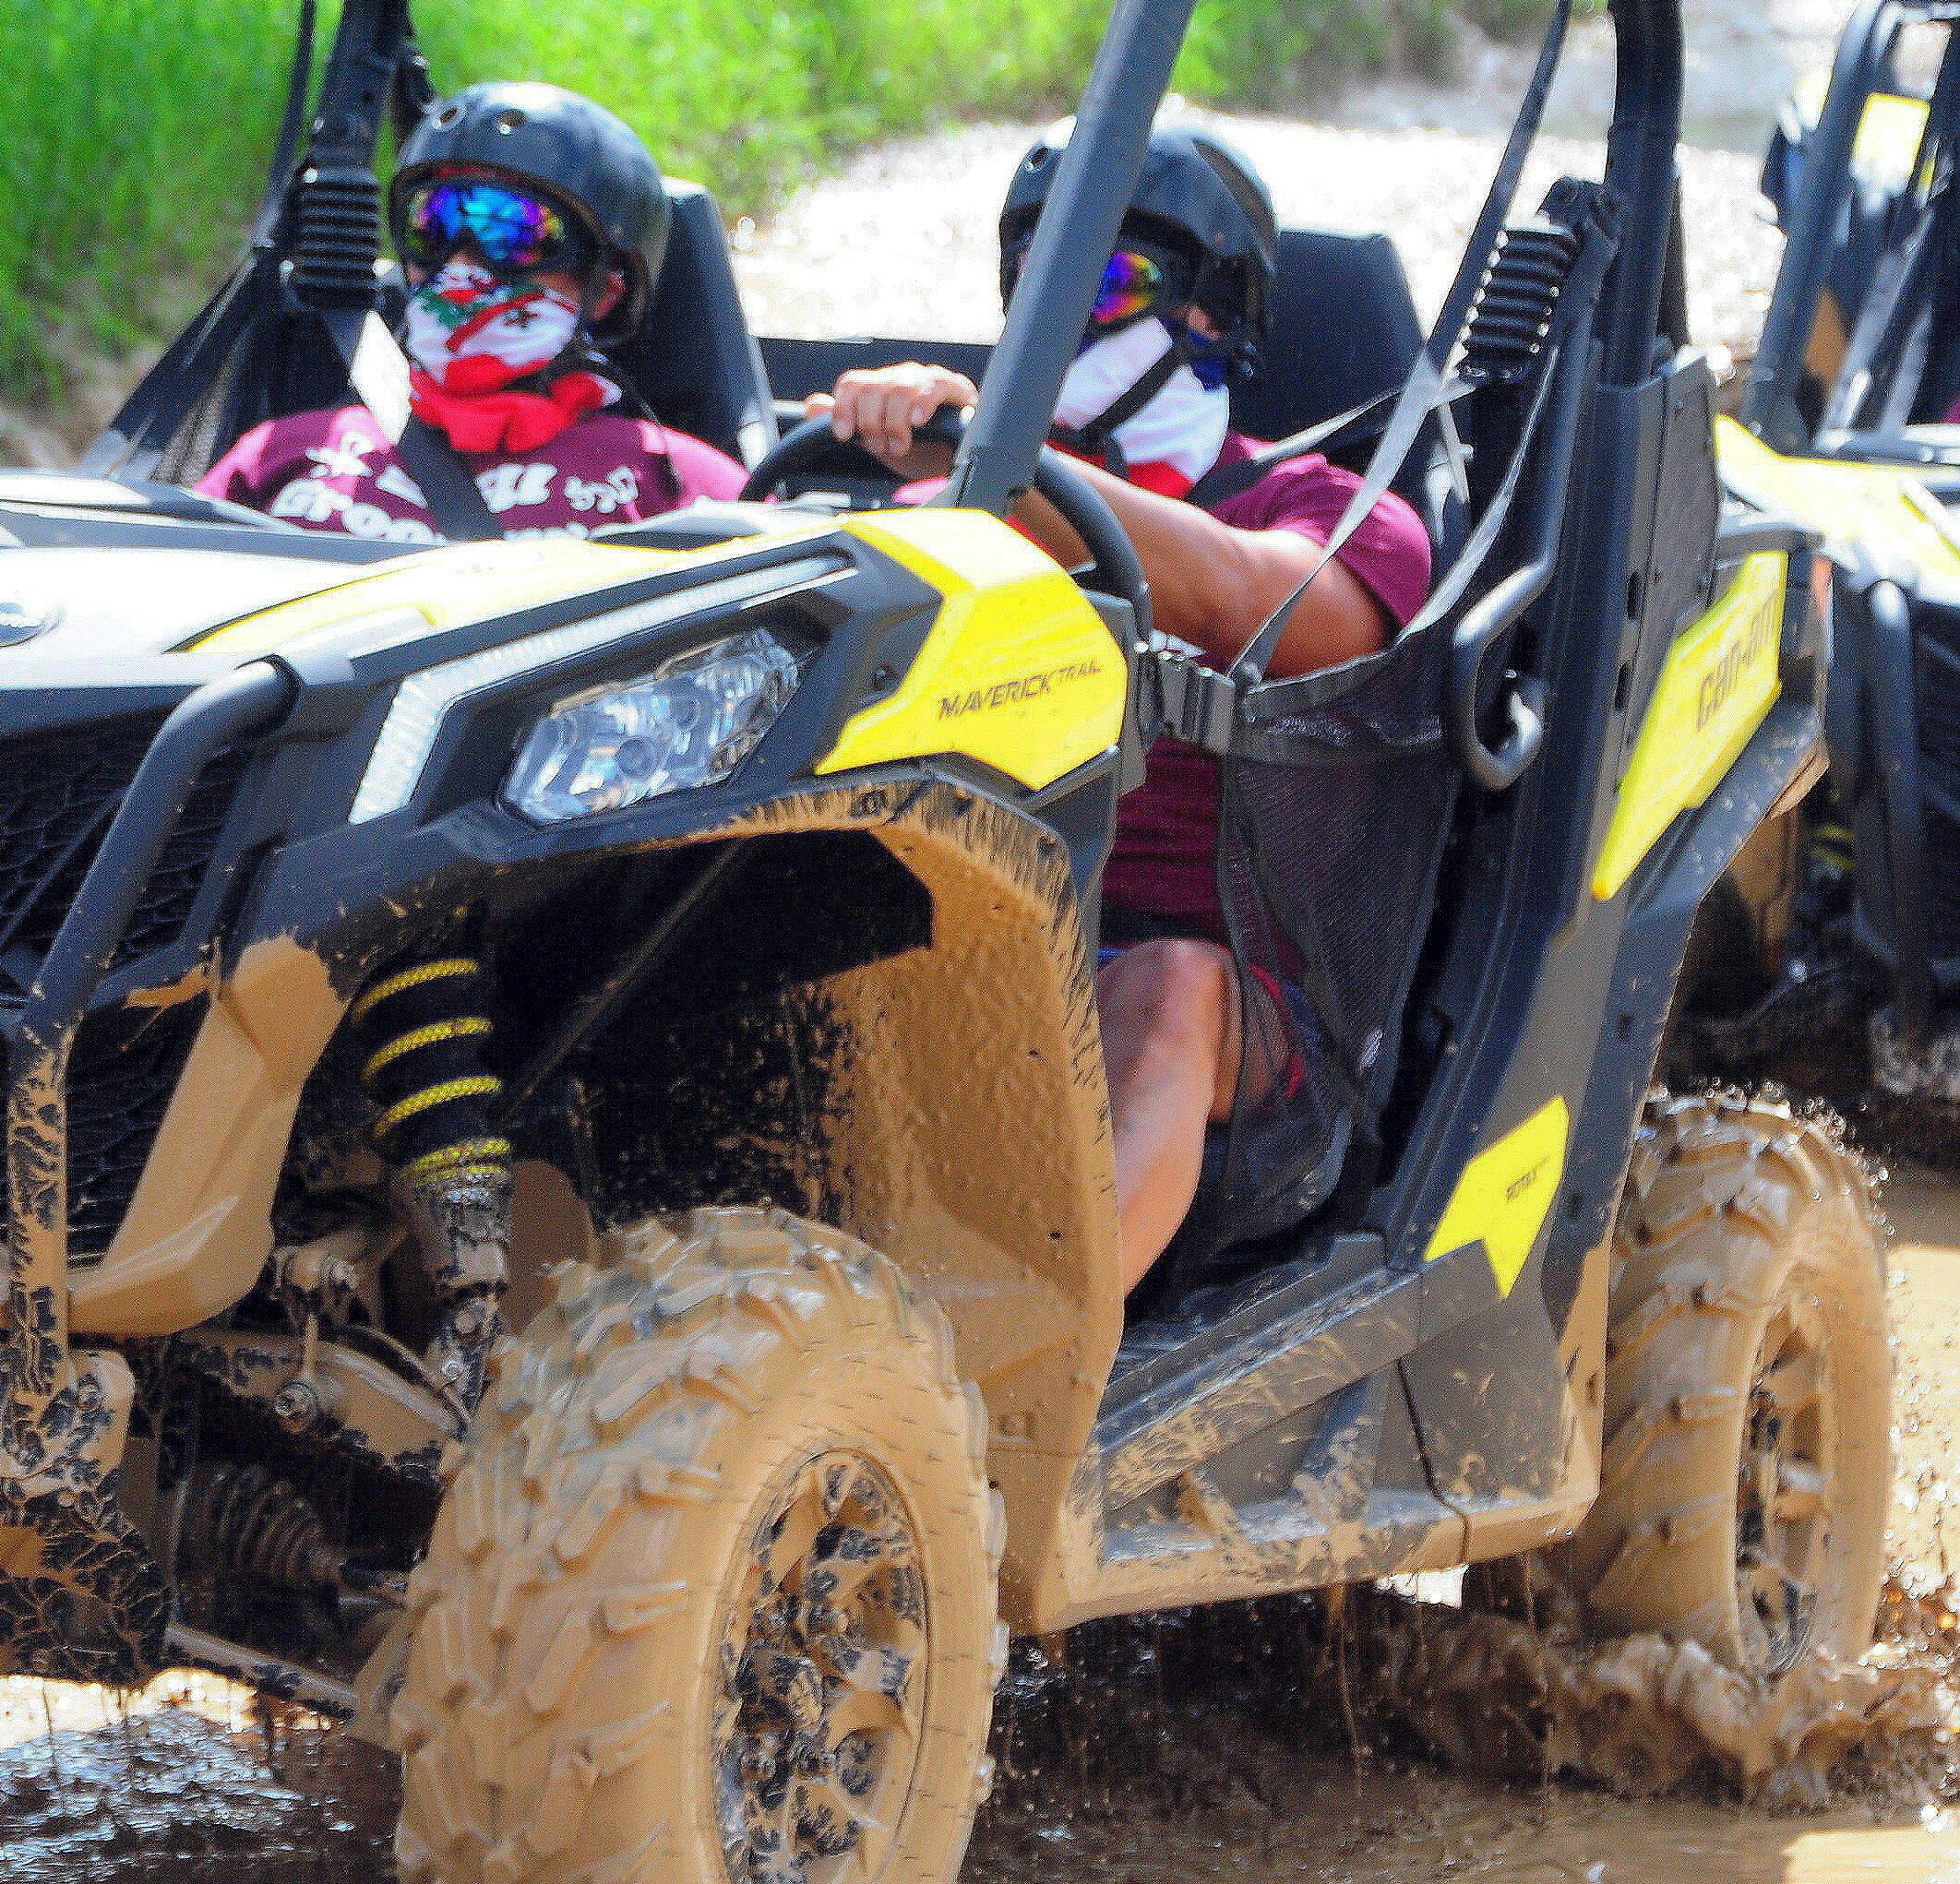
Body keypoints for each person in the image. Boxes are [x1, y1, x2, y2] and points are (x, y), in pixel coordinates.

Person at [813, 120, 1433, 1294]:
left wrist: (996, 459)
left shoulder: (1328, 506)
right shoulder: (958, 504)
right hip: (979, 937)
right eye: (1040, 278)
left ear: (1214, 311)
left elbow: (1243, 600)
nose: (1062, 313)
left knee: (1170, 986)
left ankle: (1023, 1386)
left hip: (1245, 1009)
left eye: (1107, 278)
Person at [197, 82, 747, 538]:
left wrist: (836, 445)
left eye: (510, 231)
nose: (461, 266)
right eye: (433, 226)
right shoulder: (276, 457)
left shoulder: (682, 485)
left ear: (605, 289)